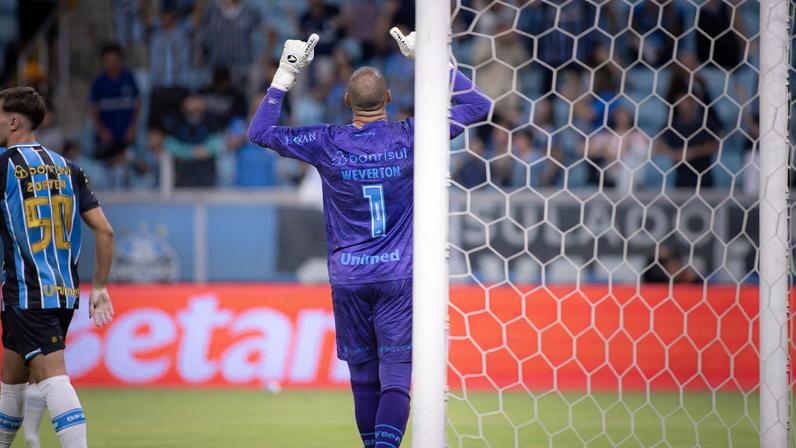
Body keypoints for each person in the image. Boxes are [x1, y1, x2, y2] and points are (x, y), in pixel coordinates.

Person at [248, 30, 490, 447]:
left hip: (349, 277)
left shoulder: (326, 142)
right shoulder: (413, 136)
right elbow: (479, 105)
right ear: (390, 98)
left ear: (346, 102)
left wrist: (284, 77)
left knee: (363, 379)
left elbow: (260, 131)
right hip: (399, 275)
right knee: (396, 377)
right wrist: (436, 65)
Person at [0, 87, 115, 448]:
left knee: (52, 380)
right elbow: (105, 230)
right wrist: (99, 287)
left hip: (28, 291)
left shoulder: (4, 167)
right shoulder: (70, 168)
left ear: (14, 121)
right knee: (11, 379)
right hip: (64, 293)